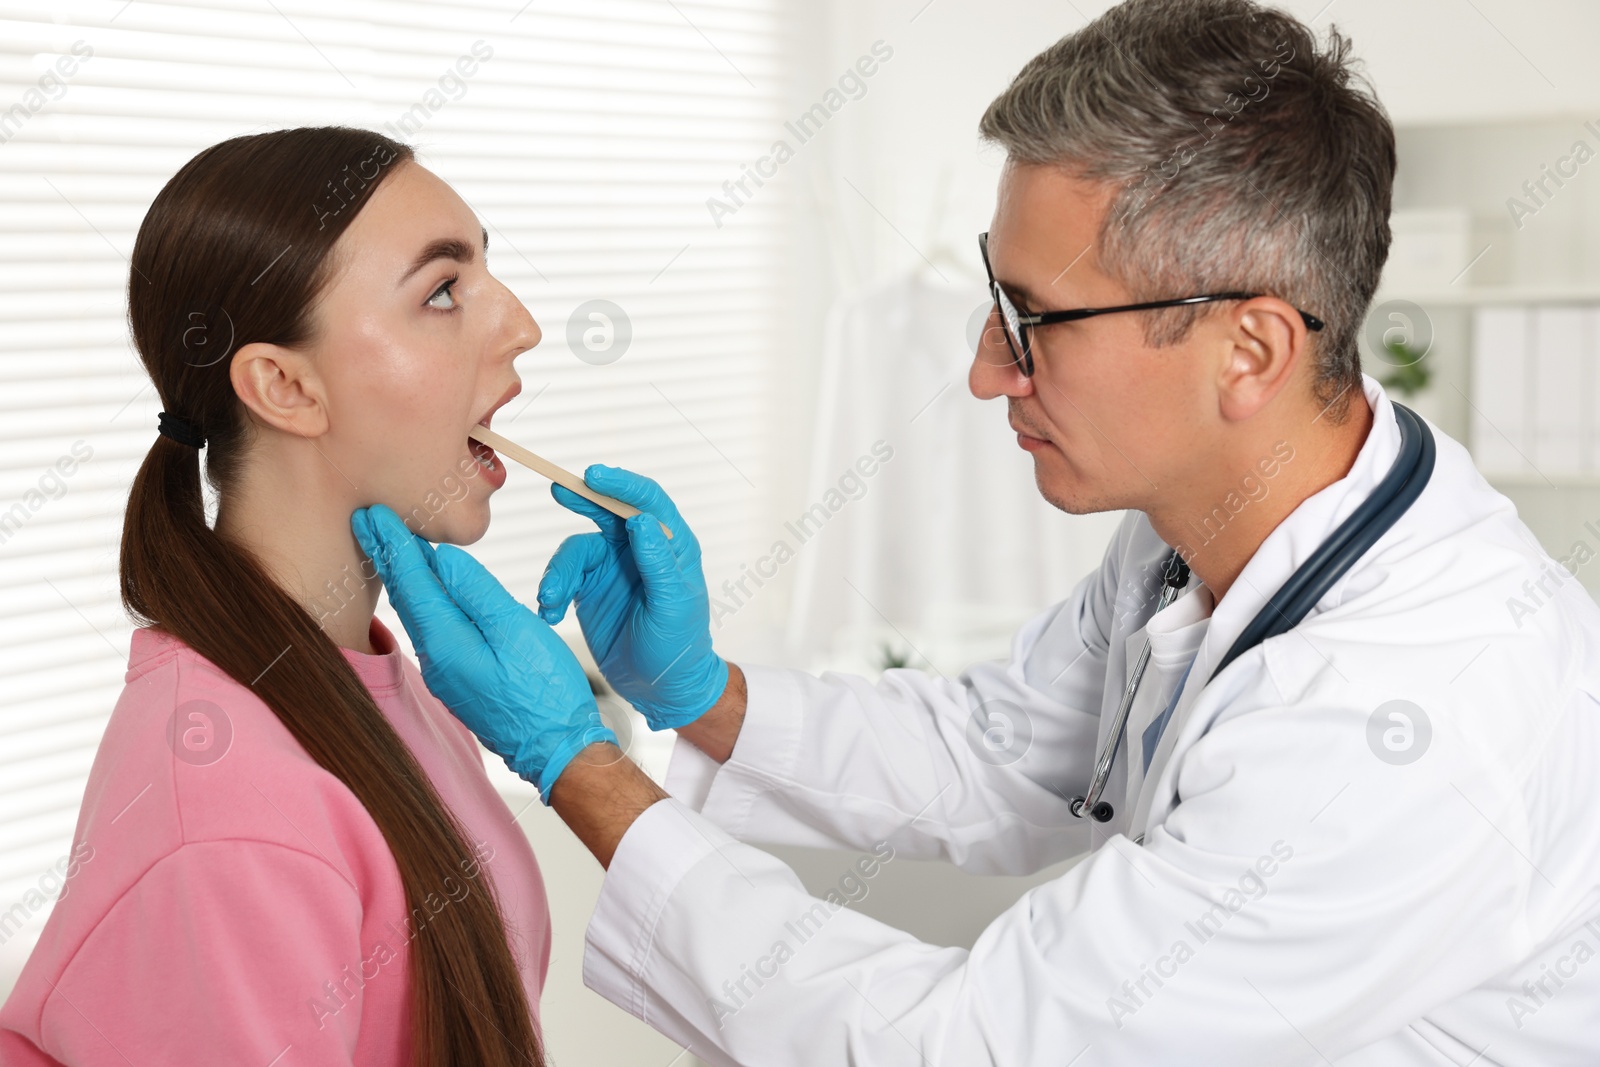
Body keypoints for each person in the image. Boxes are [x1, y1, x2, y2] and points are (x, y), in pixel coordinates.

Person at [351, 1, 1600, 1063]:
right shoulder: (1214, 524)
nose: (985, 371)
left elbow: (963, 1048)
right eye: (993, 296)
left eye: (1037, 318)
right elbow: (1010, 750)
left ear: (1251, 349)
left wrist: (574, 760)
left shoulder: (1401, 721)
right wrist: (703, 692)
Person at [0, 127, 557, 1065]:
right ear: (285, 386)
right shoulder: (230, 819)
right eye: (444, 292)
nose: (523, 326)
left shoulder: (383, 688)